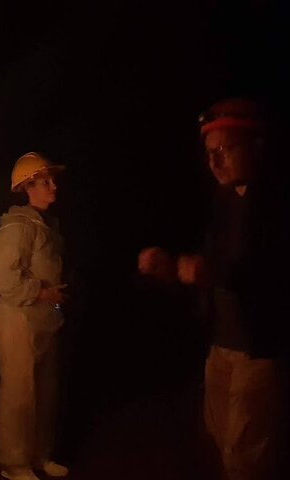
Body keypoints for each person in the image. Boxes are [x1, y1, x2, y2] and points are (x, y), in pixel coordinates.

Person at [138, 98, 289, 480]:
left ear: (256, 147)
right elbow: (208, 267)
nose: (214, 162)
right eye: (209, 153)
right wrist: (171, 270)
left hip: (259, 348)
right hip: (221, 342)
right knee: (220, 439)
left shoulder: (276, 204)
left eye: (224, 150)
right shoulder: (224, 201)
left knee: (246, 456)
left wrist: (211, 271)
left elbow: (273, 274)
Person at [0, 152, 69, 480]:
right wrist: (42, 292)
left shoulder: (46, 224)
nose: (53, 186)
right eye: (44, 181)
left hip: (43, 320)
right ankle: (15, 463)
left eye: (52, 180)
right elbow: (6, 279)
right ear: (27, 187)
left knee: (45, 391)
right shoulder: (17, 225)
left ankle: (39, 456)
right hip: (17, 321)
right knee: (19, 394)